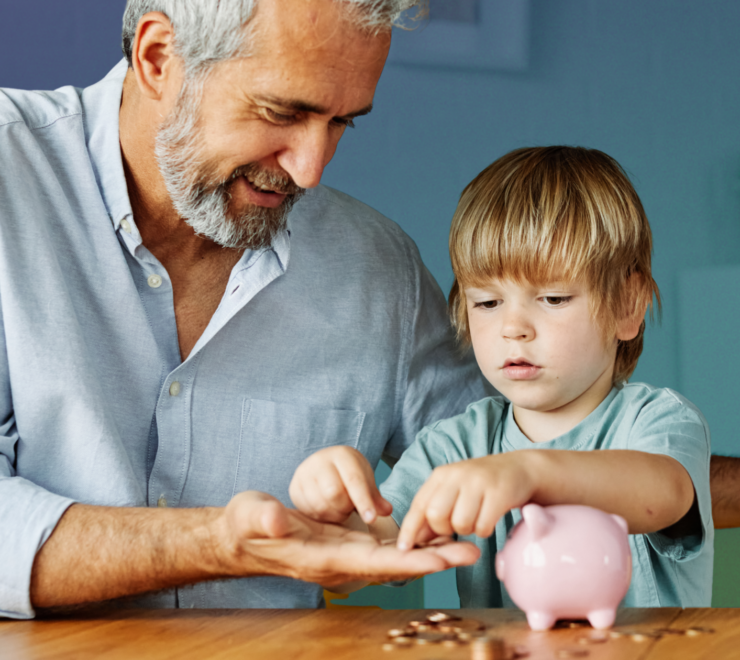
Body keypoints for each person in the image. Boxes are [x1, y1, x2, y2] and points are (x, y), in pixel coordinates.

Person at [0, 0, 487, 619]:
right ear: (158, 58)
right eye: (283, 112)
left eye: (343, 123)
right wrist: (225, 545)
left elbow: (512, 465)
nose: (311, 170)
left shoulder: (378, 268)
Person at [290, 146, 714, 612]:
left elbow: (665, 495)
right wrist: (336, 518)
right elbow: (376, 551)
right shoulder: (453, 446)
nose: (513, 327)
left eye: (552, 298)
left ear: (627, 306)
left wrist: (531, 472)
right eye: (488, 303)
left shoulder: (658, 421)